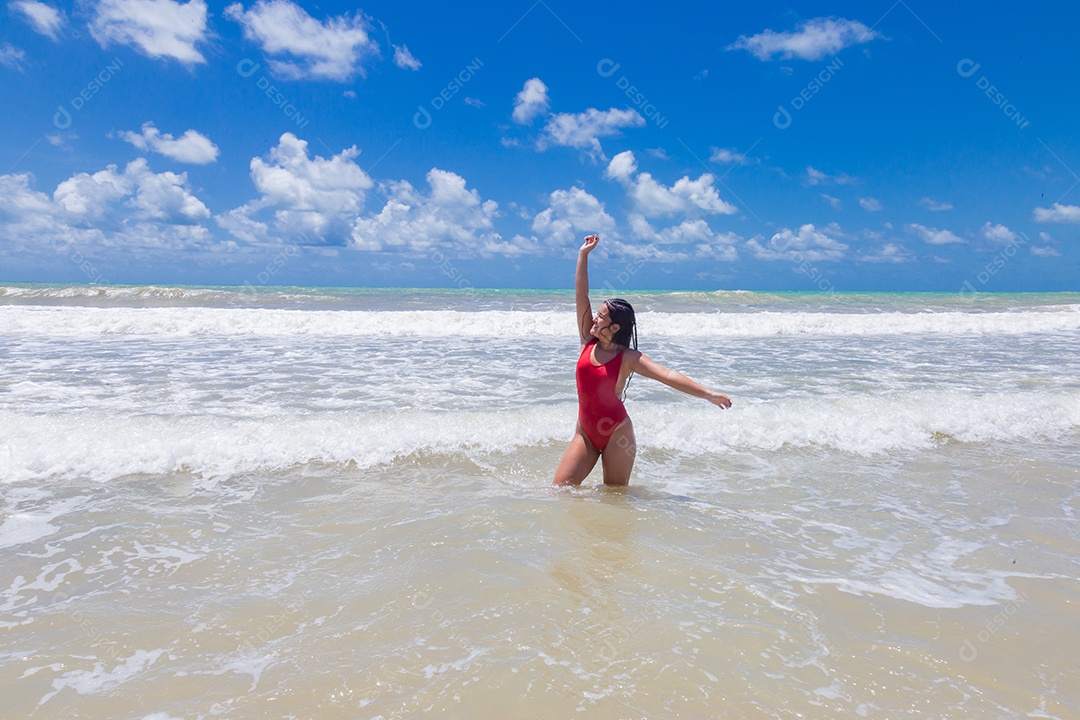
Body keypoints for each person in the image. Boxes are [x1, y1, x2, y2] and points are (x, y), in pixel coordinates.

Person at [553, 234, 733, 487]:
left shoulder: (627, 358)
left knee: (615, 499)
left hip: (618, 435)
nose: (594, 318)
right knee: (560, 491)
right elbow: (581, 294)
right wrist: (583, 255)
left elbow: (667, 375)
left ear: (614, 328)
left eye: (600, 317)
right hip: (585, 433)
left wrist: (708, 394)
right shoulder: (587, 341)